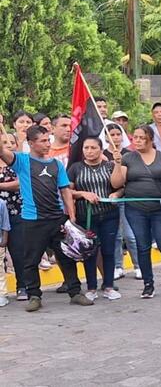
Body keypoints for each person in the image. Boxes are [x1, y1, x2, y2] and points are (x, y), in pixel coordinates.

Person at [0, 120, 92, 311]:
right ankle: (34, 296)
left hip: (57, 218)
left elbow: (65, 190)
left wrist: (71, 216)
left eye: (48, 140)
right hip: (33, 220)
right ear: (31, 143)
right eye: (42, 141)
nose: (47, 144)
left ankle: (75, 292)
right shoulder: (22, 161)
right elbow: (2, 152)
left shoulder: (56, 164)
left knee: (66, 257)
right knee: (31, 260)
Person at [121, 125, 161, 299]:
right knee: (143, 246)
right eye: (135, 137)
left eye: (142, 137)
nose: (138, 140)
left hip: (159, 209)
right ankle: (148, 285)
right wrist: (115, 163)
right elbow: (119, 182)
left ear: (150, 139)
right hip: (136, 209)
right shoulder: (127, 158)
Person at [68, 136, 124, 302]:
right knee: (89, 252)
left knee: (108, 250)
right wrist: (82, 194)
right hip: (86, 216)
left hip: (109, 215)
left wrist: (116, 194)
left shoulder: (109, 166)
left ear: (101, 149)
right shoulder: (75, 168)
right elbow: (67, 191)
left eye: (93, 148)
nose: (89, 151)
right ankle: (91, 287)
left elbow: (120, 186)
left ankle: (108, 286)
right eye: (86, 148)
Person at [103, 124, 139, 280]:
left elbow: (129, 180)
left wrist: (119, 192)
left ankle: (138, 266)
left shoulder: (129, 154)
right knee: (115, 236)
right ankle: (118, 266)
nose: (116, 137)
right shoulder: (102, 154)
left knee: (130, 235)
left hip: (125, 198)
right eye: (112, 134)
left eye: (118, 134)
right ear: (105, 136)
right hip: (107, 200)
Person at [0, 133, 24, 300]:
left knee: (18, 251)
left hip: (16, 212)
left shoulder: (18, 163)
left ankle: (22, 286)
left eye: (9, 142)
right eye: (3, 143)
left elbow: (21, 183)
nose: (6, 145)